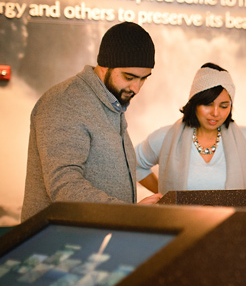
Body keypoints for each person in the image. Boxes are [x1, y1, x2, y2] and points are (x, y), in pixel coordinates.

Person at [22, 22, 162, 221]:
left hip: (98, 238)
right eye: (129, 77)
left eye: (143, 78)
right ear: (105, 65)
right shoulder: (65, 101)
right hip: (61, 245)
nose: (136, 88)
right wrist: (129, 213)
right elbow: (64, 185)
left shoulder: (111, 103)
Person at [135, 63, 246, 193]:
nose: (215, 113)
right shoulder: (167, 137)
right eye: (208, 104)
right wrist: (165, 195)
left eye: (224, 106)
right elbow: (134, 163)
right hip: (180, 221)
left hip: (236, 221)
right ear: (194, 103)